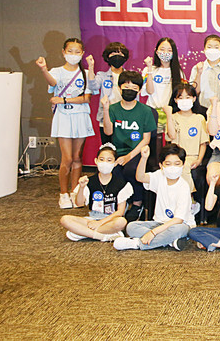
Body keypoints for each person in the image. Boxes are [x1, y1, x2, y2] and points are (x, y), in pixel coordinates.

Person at [35, 38, 95, 208]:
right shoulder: (57, 71)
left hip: (81, 116)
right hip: (63, 117)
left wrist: (64, 100)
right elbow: (53, 83)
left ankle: (75, 192)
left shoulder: (85, 73)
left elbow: (87, 98)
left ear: (82, 53)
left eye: (77, 52)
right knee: (67, 158)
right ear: (63, 52)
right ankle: (63, 194)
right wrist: (43, 69)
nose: (73, 55)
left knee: (77, 157)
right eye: (70, 51)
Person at [113, 144, 196, 251]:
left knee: (179, 230)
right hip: (159, 223)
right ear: (161, 165)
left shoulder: (184, 186)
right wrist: (144, 158)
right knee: (131, 227)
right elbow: (140, 177)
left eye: (177, 164)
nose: (172, 167)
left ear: (183, 165)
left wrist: (153, 233)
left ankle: (137, 243)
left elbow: (178, 220)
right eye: (168, 164)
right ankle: (169, 241)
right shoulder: (159, 176)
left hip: (179, 224)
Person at [102, 70, 157, 221]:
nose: (129, 91)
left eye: (134, 88)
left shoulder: (145, 111)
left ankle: (137, 203)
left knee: (131, 170)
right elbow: (108, 131)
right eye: (126, 87)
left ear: (139, 90)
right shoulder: (113, 109)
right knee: (113, 170)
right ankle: (122, 203)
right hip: (117, 151)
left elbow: (146, 139)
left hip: (136, 151)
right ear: (119, 88)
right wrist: (105, 109)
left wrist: (128, 156)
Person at [59, 144, 131, 242]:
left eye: (109, 160)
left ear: (114, 163)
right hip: (92, 219)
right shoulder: (89, 181)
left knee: (121, 222)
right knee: (65, 219)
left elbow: (120, 212)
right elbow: (79, 204)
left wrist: (99, 223)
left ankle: (83, 233)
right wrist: (82, 187)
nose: (105, 163)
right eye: (101, 159)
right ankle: (102, 236)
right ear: (96, 161)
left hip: (110, 220)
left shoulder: (122, 184)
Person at [163, 83, 209, 194]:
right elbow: (172, 136)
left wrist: (199, 160)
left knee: (184, 168)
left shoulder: (199, 118)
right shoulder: (173, 117)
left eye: (187, 97)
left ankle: (189, 197)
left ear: (194, 99)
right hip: (175, 155)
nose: (184, 101)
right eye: (180, 98)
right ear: (175, 100)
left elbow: (203, 143)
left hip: (192, 156)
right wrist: (169, 115)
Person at [88, 41, 129, 144]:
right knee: (107, 147)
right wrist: (91, 67)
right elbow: (93, 86)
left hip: (125, 119)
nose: (117, 57)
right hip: (106, 117)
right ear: (108, 57)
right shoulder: (102, 75)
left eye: (120, 54)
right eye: (113, 54)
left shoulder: (130, 76)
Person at [141, 37, 185, 132]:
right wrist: (149, 69)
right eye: (162, 49)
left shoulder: (178, 72)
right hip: (152, 112)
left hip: (171, 113)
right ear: (156, 51)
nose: (165, 53)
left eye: (169, 50)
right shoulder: (148, 70)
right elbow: (150, 91)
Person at [189, 34, 220, 108]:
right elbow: (194, 92)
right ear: (204, 50)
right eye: (209, 47)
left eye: (216, 47)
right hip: (203, 108)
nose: (213, 50)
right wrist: (199, 73)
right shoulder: (197, 68)